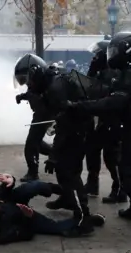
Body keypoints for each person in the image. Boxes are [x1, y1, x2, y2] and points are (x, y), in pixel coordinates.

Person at [68, 32, 131, 242]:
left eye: (115, 50)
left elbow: (112, 102)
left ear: (128, 50)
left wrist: (80, 107)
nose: (112, 54)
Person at [14, 53, 97, 237]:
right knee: (65, 171)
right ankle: (70, 200)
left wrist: (53, 156)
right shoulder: (48, 82)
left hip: (77, 131)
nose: (28, 84)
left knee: (69, 173)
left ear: (35, 73)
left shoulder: (56, 88)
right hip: (76, 128)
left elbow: (65, 127)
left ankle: (83, 219)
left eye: (28, 80)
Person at [0, 173, 105, 246]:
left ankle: (63, 191)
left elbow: (0, 192)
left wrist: (10, 182)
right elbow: (26, 234)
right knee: (55, 228)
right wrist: (29, 216)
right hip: (22, 216)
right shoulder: (0, 234)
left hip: (11, 200)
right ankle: (86, 223)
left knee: (34, 186)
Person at [83, 39, 127, 204]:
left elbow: (100, 93)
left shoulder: (113, 73)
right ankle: (92, 184)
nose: (93, 58)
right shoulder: (100, 71)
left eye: (95, 55)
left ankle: (120, 189)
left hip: (111, 121)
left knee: (112, 157)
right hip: (100, 120)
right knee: (92, 151)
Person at [14, 54, 55, 182]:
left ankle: (33, 173)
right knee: (37, 144)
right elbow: (33, 92)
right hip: (41, 114)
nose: (26, 82)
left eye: (26, 79)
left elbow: (53, 99)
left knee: (31, 145)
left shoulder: (51, 82)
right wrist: (22, 96)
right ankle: (57, 154)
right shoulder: (38, 81)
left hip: (46, 115)